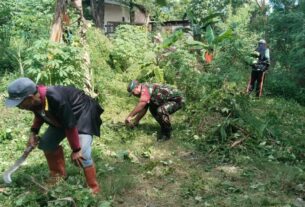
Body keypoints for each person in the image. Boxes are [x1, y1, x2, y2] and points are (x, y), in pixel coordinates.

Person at [5, 77, 103, 194]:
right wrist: (33, 133)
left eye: (19, 104)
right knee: (46, 144)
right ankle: (58, 175)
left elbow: (70, 125)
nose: (19, 107)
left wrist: (76, 149)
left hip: (82, 114)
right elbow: (39, 115)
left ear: (30, 97)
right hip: (63, 118)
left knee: (83, 153)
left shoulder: (55, 97)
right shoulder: (35, 101)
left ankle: (93, 188)